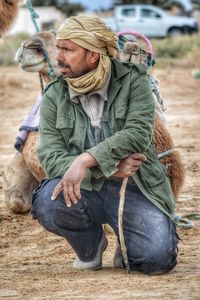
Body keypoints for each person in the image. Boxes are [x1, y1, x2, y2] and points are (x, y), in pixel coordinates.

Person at [32, 15, 179, 274]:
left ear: (93, 55)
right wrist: (106, 168)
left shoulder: (135, 82)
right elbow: (49, 153)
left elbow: (138, 134)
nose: (58, 57)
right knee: (46, 202)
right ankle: (90, 245)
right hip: (84, 188)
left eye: (68, 49)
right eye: (60, 48)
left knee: (156, 261)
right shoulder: (55, 94)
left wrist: (86, 159)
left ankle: (129, 241)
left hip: (135, 187)